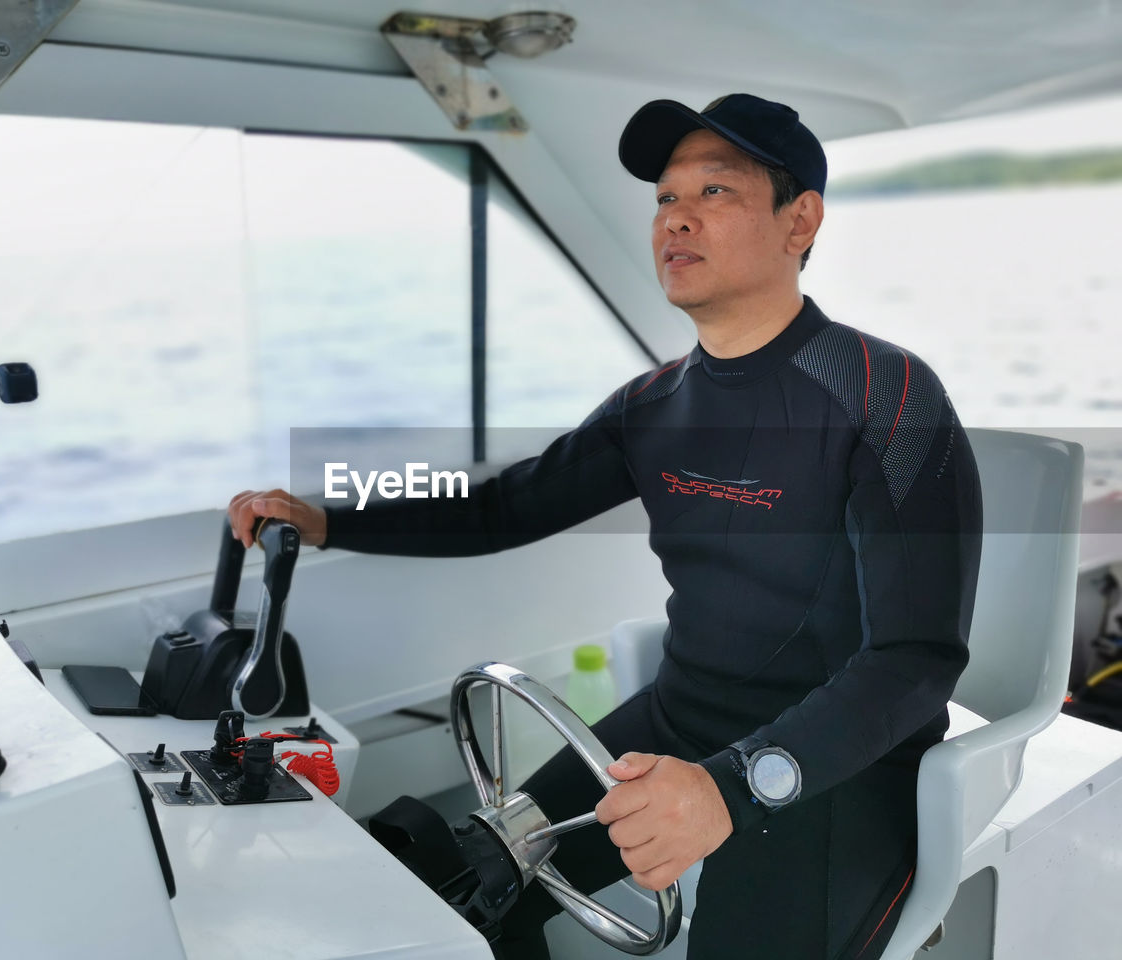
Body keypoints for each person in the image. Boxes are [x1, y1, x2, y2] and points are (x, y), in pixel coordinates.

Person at [228, 93, 983, 960]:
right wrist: (327, 519)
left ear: (799, 220)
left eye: (716, 193)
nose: (677, 220)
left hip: (841, 764)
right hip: (679, 721)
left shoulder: (887, 397)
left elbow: (917, 662)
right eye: (665, 199)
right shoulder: (654, 406)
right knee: (464, 891)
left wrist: (733, 788)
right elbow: (503, 505)